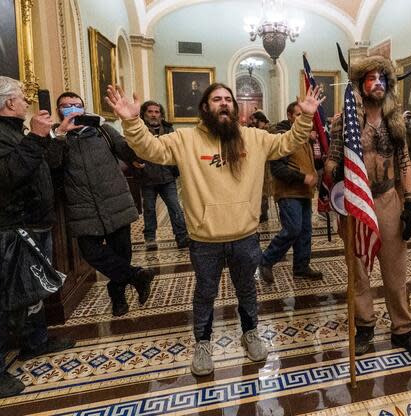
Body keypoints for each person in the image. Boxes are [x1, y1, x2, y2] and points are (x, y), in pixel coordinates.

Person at [105, 82, 323, 376]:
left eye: (228, 100)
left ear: (234, 108)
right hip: (204, 239)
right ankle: (203, 343)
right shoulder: (185, 139)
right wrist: (131, 121)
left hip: (245, 235)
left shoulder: (255, 138)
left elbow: (288, 141)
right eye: (217, 99)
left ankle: (250, 332)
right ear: (205, 107)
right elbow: (150, 149)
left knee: (247, 289)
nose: (224, 104)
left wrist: (306, 116)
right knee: (205, 292)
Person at [0, 76, 74, 398]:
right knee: (4, 299)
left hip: (31, 224)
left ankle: (35, 343)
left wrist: (56, 137)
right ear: (8, 102)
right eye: (23, 98)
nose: (26, 103)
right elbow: (7, 176)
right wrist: (36, 138)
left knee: (33, 290)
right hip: (9, 229)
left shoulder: (10, 131)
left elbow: (43, 165)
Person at [324, 55, 411, 361]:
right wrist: (329, 174)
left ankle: (404, 330)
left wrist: (410, 202)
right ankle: (365, 326)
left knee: (395, 271)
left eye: (382, 78)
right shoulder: (343, 122)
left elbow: (406, 163)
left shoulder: (396, 121)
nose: (378, 83)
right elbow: (332, 160)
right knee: (358, 271)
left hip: (387, 200)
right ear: (359, 84)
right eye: (371, 78)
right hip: (356, 202)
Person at [48, 92, 155, 317]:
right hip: (82, 206)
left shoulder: (102, 130)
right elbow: (52, 165)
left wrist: (137, 145)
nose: (71, 109)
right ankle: (137, 276)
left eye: (76, 105)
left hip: (115, 201)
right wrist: (59, 136)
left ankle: (118, 298)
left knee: (121, 253)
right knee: (91, 252)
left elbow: (126, 151)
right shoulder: (54, 135)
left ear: (84, 108)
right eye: (65, 106)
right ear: (58, 111)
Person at [258, 102, 324, 283]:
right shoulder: (282, 137)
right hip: (288, 192)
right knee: (293, 229)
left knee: (305, 232)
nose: (303, 119)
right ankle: (265, 261)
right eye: (298, 115)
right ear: (289, 116)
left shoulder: (304, 137)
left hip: (304, 192)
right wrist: (303, 177)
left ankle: (301, 268)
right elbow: (278, 169)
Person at [134, 100, 189, 250]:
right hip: (147, 177)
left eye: (156, 112)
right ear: (144, 114)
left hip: (167, 176)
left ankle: (182, 236)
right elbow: (131, 148)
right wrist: (134, 161)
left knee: (175, 207)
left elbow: (177, 150)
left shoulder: (169, 129)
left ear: (161, 114)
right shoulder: (140, 130)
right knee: (150, 209)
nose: (153, 115)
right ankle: (150, 238)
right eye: (150, 112)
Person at [250, 110, 272, 222]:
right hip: (259, 163)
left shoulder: (268, 131)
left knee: (263, 189)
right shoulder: (260, 130)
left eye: (254, 120)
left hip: (265, 164)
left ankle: (263, 213)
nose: (253, 123)